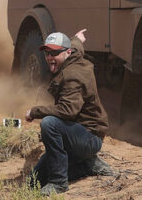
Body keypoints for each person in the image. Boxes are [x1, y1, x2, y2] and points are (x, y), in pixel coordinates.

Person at [25, 30, 115, 196]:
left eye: (54, 53)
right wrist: (77, 38)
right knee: (33, 182)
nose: (49, 58)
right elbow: (76, 46)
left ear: (66, 53)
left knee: (49, 124)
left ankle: (59, 183)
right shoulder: (71, 55)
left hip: (88, 137)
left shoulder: (72, 76)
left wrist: (35, 111)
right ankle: (87, 165)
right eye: (47, 53)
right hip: (74, 134)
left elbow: (68, 110)